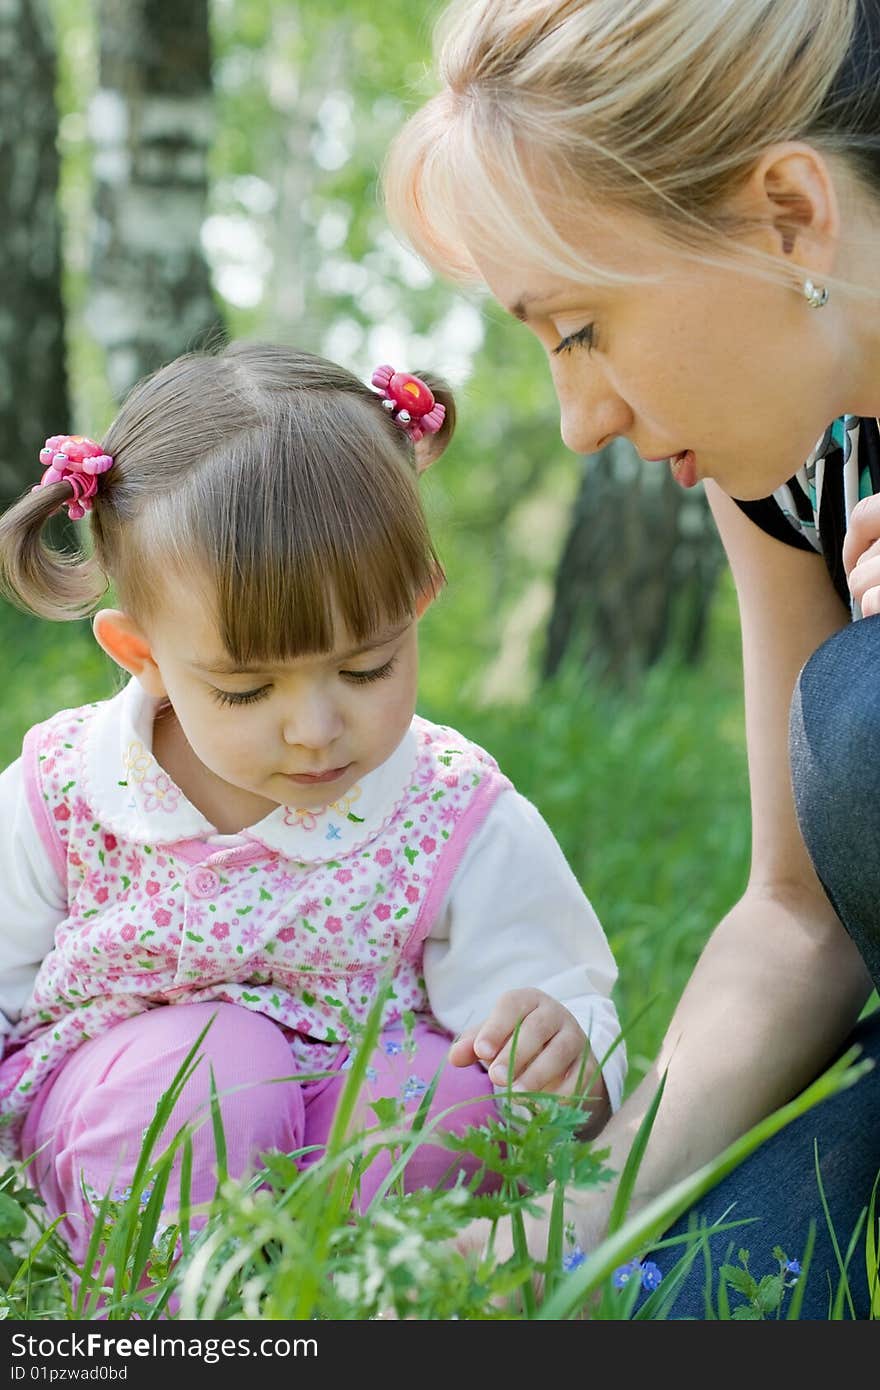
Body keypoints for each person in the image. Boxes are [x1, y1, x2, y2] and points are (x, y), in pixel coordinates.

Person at [382, 0, 880, 1318]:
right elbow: (804, 908)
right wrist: (598, 1197)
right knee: (707, 1296)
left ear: (787, 212)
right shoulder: (786, 465)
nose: (578, 418)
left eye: (584, 328)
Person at [0, 340, 625, 1270]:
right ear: (142, 655)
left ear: (418, 604)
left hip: (343, 1116)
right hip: (132, 1103)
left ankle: (348, 1289)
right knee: (219, 1069)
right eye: (248, 692)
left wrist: (559, 1045)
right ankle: (175, 1295)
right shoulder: (68, 789)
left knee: (454, 1101)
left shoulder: (448, 806)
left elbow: (548, 990)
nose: (317, 731)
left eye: (366, 666)